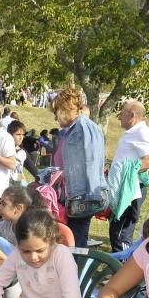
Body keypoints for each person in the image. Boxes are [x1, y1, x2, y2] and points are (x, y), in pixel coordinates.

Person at [52, 86, 107, 247]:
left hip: (85, 195)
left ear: (65, 109)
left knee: (77, 240)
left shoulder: (85, 128)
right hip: (77, 194)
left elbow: (93, 161)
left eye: (57, 112)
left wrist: (92, 194)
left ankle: (76, 270)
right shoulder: (74, 129)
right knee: (73, 238)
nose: (56, 118)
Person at [109, 100, 149, 252]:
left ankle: (122, 268)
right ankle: (119, 269)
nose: (119, 116)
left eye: (122, 113)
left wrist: (126, 175)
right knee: (115, 230)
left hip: (131, 191)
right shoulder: (131, 132)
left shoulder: (143, 132)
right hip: (122, 190)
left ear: (132, 115)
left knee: (121, 234)